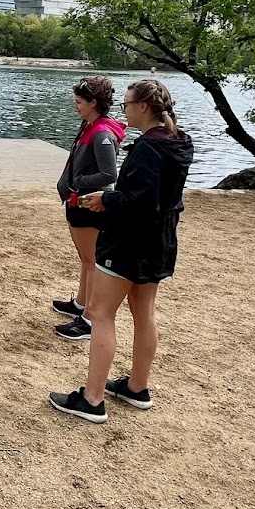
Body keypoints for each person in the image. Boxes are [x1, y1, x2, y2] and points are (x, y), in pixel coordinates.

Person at [49, 78, 194, 424]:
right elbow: (160, 199)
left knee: (100, 315)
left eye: (128, 104)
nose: (124, 110)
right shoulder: (177, 141)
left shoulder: (148, 148)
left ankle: (92, 399)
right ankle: (136, 387)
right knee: (144, 312)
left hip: (129, 242)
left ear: (143, 106)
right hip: (160, 241)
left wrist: (105, 199)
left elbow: (139, 201)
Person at [53, 76, 125, 342]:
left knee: (92, 261)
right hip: (78, 201)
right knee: (86, 259)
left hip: (88, 203)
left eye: (79, 102)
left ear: (94, 103)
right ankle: (81, 304)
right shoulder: (90, 125)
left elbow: (108, 173)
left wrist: (79, 183)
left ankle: (88, 319)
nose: (76, 107)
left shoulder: (102, 133)